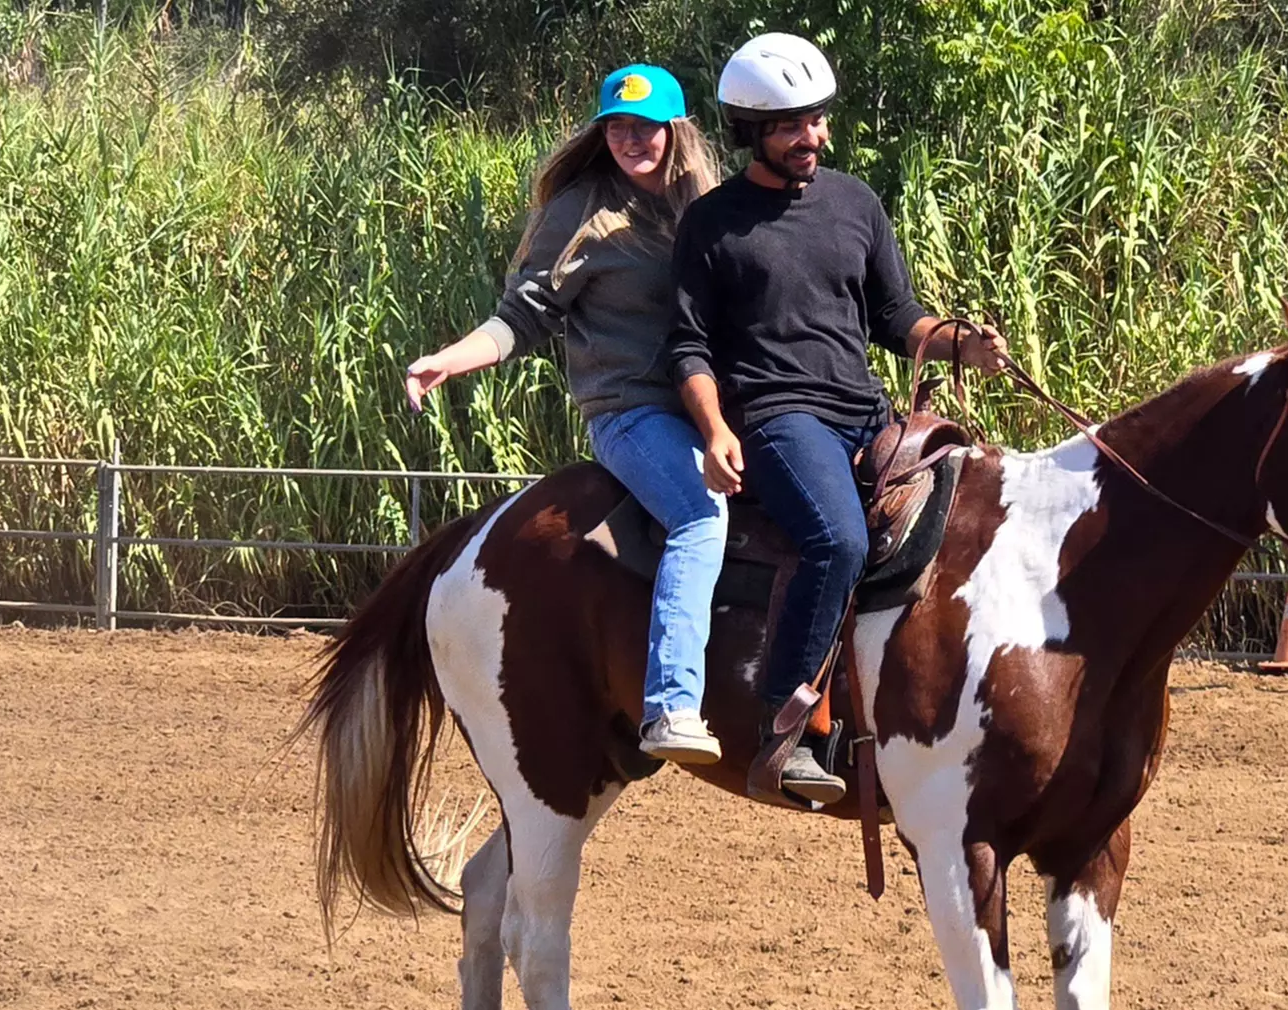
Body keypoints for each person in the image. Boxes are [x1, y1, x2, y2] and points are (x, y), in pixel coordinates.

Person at [667, 32, 1009, 805]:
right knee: (837, 537)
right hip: (779, 417)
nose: (811, 138)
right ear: (749, 130)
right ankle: (786, 727)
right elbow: (685, 346)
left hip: (865, 411)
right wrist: (717, 430)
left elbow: (898, 317)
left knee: (973, 503)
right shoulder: (712, 224)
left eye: (817, 121)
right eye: (791, 126)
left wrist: (960, 346)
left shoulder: (854, 201)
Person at [403, 64, 730, 765]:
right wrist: (448, 360)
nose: (629, 139)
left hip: (715, 406)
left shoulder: (709, 206)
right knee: (701, 513)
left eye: (644, 127)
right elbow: (521, 318)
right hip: (633, 413)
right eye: (616, 127)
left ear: (677, 131)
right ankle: (672, 700)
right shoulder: (581, 213)